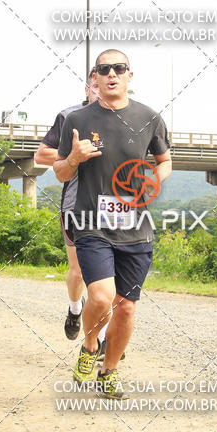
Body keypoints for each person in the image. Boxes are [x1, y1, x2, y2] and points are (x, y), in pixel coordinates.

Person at [53, 49, 171, 399]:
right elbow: (60, 171)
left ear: (129, 75)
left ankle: (110, 370)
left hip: (135, 226)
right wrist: (73, 157)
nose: (111, 74)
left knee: (127, 306)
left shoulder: (149, 118)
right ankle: (90, 346)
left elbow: (165, 162)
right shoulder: (77, 120)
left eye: (118, 68)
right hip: (91, 223)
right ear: (96, 77)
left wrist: (154, 180)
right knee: (102, 298)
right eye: (104, 69)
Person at [34, 68, 109, 344]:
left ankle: (102, 337)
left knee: (106, 278)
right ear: (89, 85)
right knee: (78, 271)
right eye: (95, 82)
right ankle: (75, 309)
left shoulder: (123, 118)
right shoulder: (70, 117)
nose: (101, 86)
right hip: (76, 204)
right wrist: (75, 155)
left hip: (112, 206)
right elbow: (41, 154)